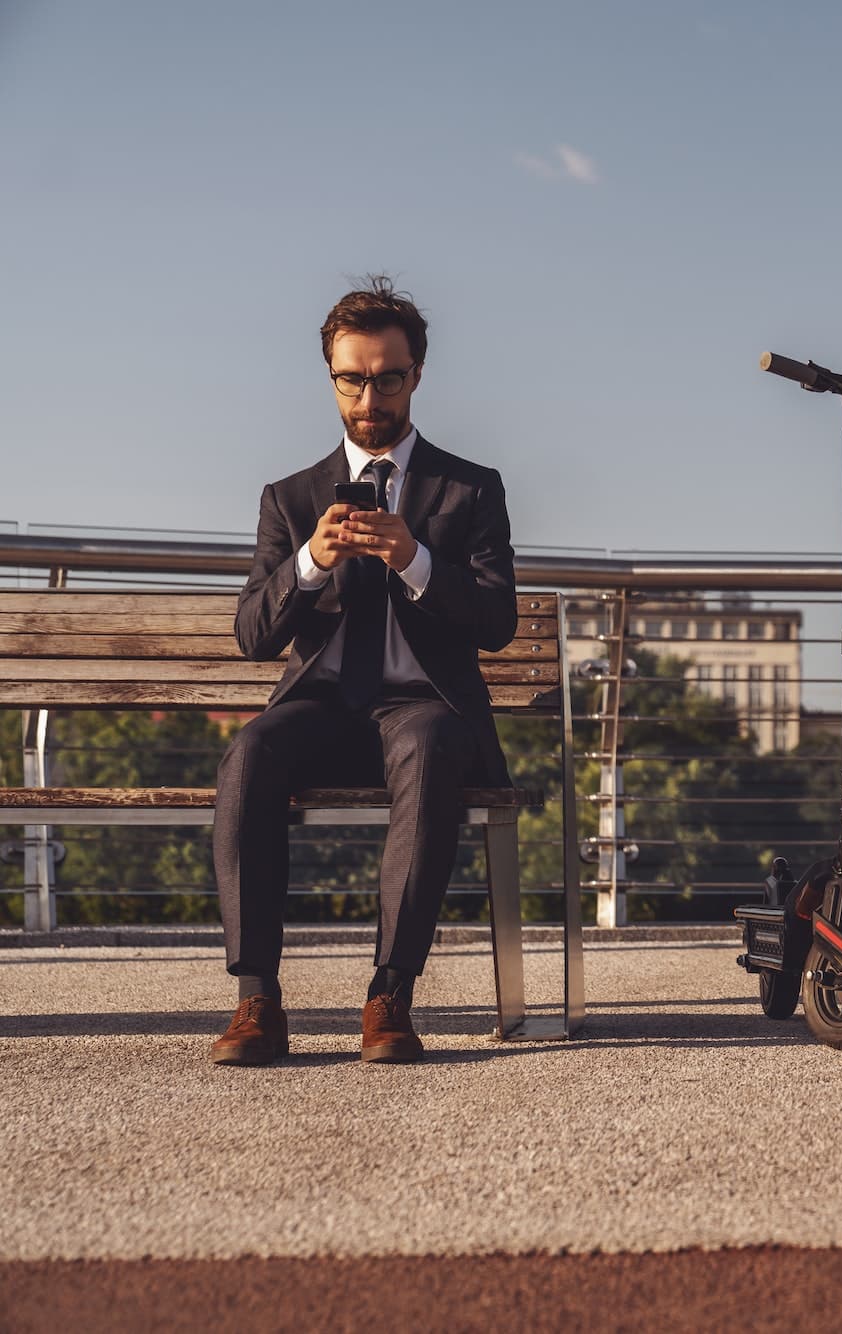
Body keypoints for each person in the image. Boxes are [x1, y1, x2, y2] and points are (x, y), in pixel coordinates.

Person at [208, 277, 517, 1066]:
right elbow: (251, 635)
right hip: (321, 713)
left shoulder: (470, 488)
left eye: (387, 376)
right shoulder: (291, 497)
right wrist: (312, 559)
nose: (369, 395)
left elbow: (497, 623)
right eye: (353, 377)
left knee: (427, 743)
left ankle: (390, 995)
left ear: (416, 375)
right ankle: (256, 1000)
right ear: (332, 377)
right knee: (249, 751)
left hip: (422, 710)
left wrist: (414, 557)